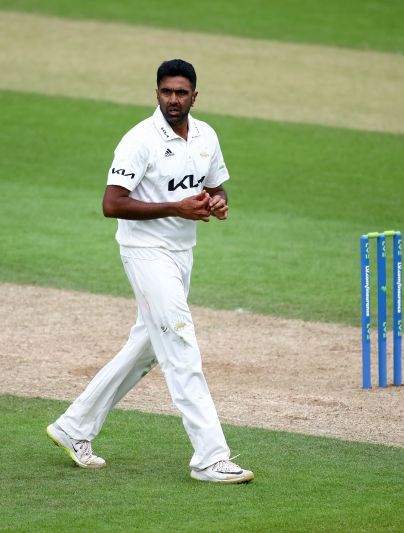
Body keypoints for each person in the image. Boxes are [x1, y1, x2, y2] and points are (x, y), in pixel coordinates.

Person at [47, 59, 253, 484]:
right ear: (156, 93)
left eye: (181, 92)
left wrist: (217, 201)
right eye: (165, 92)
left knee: (145, 351)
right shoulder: (139, 140)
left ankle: (74, 426)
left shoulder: (206, 136)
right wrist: (174, 207)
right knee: (180, 348)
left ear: (195, 96)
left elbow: (215, 186)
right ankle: (210, 458)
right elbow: (112, 203)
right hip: (145, 252)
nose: (172, 99)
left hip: (181, 254)